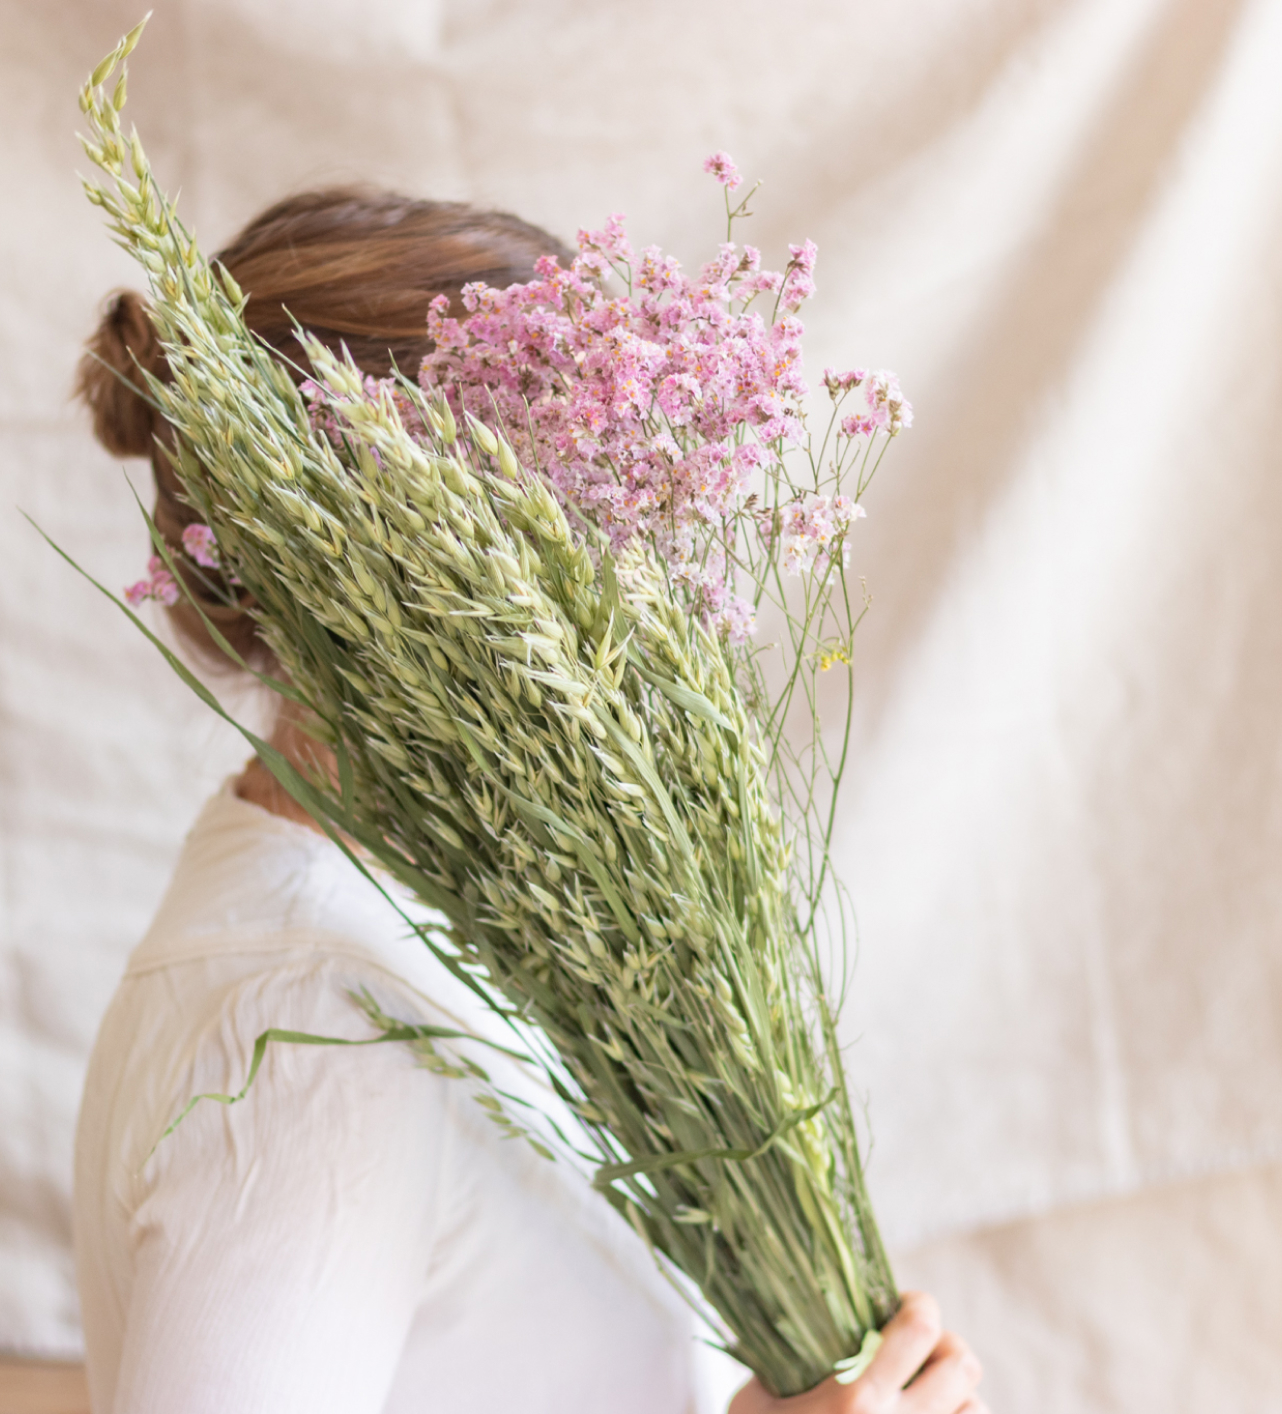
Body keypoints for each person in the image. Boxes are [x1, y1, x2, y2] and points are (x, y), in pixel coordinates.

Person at [74, 188, 988, 1414]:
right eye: (592, 494)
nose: (639, 571)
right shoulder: (303, 1037)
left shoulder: (426, 925)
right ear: (385, 552)